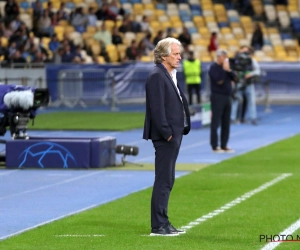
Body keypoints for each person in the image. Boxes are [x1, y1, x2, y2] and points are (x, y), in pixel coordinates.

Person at [143, 37, 191, 236]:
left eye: (179, 53)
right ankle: (158, 225)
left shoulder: (170, 74)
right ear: (163, 56)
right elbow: (157, 108)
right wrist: (168, 133)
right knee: (163, 180)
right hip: (166, 136)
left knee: (168, 179)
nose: (179, 57)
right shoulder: (157, 75)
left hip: (175, 133)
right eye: (176, 53)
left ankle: (163, 222)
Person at [208, 49, 237, 153]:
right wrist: (225, 71)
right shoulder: (213, 68)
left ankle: (224, 144)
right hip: (217, 96)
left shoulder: (227, 68)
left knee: (226, 122)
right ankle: (215, 146)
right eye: (224, 57)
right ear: (219, 57)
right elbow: (219, 81)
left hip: (227, 96)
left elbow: (235, 78)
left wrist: (229, 71)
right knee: (215, 122)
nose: (225, 60)